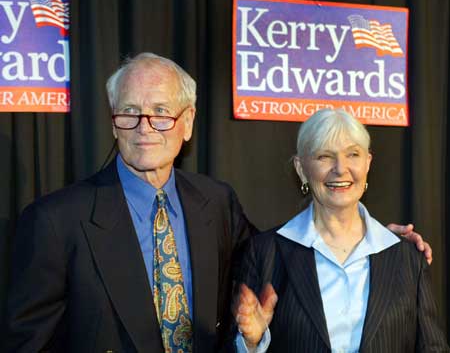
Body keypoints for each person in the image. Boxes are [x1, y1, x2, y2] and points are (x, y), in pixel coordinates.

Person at [2, 54, 431, 353]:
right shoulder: (55, 222)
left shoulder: (215, 202)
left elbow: (279, 256)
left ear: (186, 124)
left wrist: (364, 237)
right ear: (114, 122)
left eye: (161, 112)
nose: (144, 127)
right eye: (129, 111)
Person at [233, 109, 448, 352]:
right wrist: (251, 343)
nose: (340, 168)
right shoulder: (264, 253)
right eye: (324, 156)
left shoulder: (408, 258)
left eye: (353, 154)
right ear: (301, 168)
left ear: (367, 163)